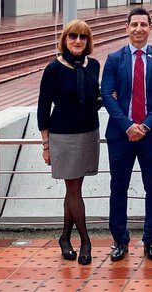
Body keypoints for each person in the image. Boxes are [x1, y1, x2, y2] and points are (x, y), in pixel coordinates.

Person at [101, 7, 152, 263]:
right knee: (118, 187)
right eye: (134, 25)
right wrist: (127, 125)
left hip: (151, 135)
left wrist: (145, 125)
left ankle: (151, 239)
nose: (139, 29)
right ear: (127, 28)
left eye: (144, 24)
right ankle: (120, 239)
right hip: (121, 135)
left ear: (150, 28)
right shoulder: (113, 58)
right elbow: (107, 94)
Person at [37, 19, 103, 265]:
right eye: (73, 36)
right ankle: (85, 241)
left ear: (88, 41)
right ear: (65, 39)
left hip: (88, 133)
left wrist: (108, 98)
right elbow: (43, 107)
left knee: (74, 189)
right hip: (63, 136)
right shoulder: (54, 68)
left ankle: (65, 237)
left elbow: (90, 99)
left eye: (83, 37)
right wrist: (46, 144)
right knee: (73, 188)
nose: (78, 41)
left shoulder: (93, 65)